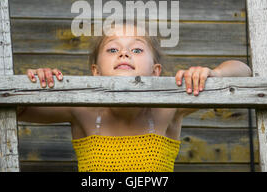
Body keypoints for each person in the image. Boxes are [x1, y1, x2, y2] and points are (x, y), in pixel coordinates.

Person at [18, 21, 252, 172]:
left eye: (137, 49)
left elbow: (244, 72)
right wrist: (38, 82)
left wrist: (215, 74)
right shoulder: (82, 110)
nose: (124, 53)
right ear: (95, 72)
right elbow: (19, 110)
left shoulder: (169, 109)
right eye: (112, 49)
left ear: (155, 71)